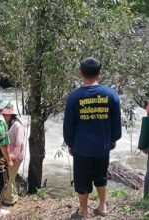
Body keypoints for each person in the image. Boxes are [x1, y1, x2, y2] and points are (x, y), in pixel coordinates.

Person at [63, 57, 122, 218]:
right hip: (103, 146)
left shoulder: (74, 97)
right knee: (101, 177)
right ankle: (102, 207)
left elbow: (68, 124)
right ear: (99, 73)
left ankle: (84, 210)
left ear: (81, 73)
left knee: (82, 181)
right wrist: (113, 140)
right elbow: (116, 122)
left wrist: (70, 143)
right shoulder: (111, 95)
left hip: (81, 148)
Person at [1, 106, 25, 206]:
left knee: (9, 177)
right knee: (10, 177)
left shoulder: (17, 126)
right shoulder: (7, 124)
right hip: (9, 155)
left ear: (10, 115)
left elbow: (19, 143)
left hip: (16, 156)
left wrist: (13, 156)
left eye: (5, 115)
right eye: (3, 115)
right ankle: (13, 195)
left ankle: (9, 200)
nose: (3, 116)